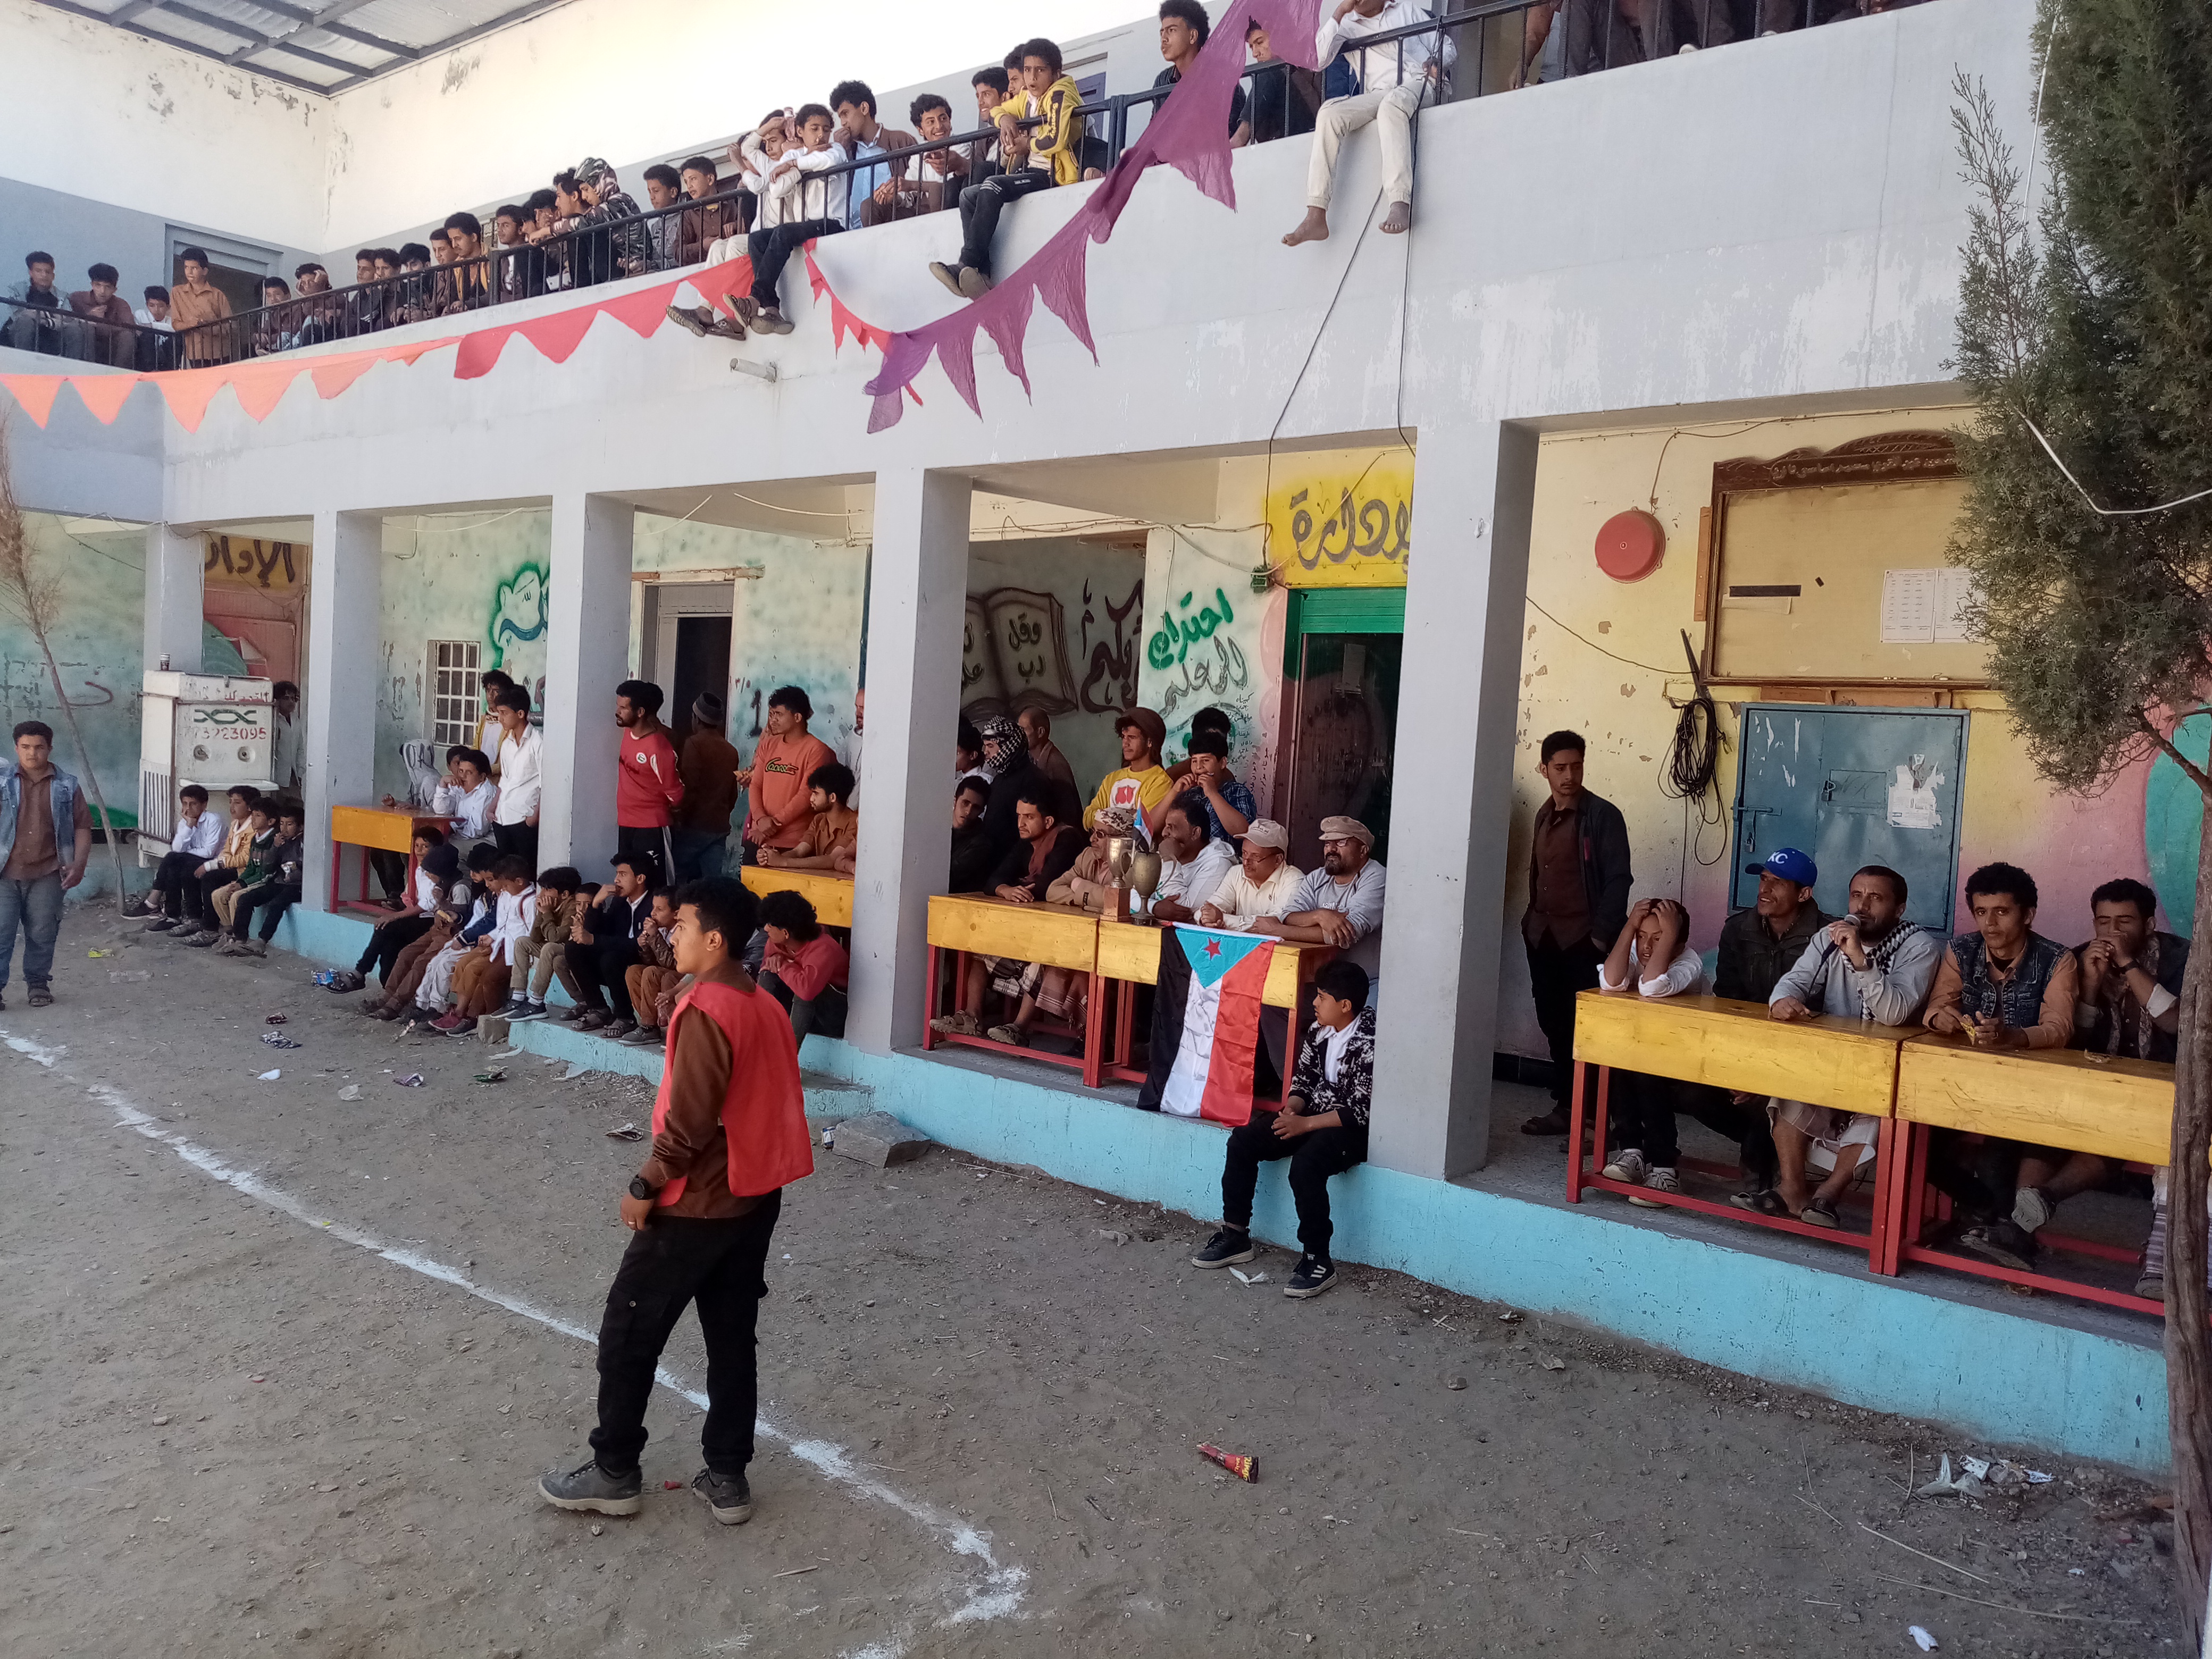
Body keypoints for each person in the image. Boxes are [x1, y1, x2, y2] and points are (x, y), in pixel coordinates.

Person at [538, 876, 812, 1526]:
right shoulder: (761, 1002)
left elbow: (689, 1122)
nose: (671, 933)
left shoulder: (709, 1010)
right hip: (754, 1194)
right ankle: (727, 1475)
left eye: (682, 925)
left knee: (628, 1333)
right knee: (731, 1338)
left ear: (714, 940)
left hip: (699, 1202)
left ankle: (614, 1469)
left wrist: (646, 1182)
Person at [1753, 865, 1943, 1225]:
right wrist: (1782, 1000)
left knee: (1882, 1112)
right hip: (1835, 1060)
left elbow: (1894, 1013)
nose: (1863, 906)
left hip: (1890, 1071)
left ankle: (1827, 1196)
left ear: (1900, 908)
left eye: (1876, 898)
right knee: (1788, 1092)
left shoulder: (1920, 947)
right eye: (1857, 896)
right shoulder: (1829, 937)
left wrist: (1860, 959)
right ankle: (1792, 1189)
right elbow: (1796, 980)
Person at [1921, 862, 2081, 1271]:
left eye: (2002, 912)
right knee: (1913, 1141)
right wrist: (1944, 1020)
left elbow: (2059, 1028)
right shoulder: (1961, 950)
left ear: (2028, 914)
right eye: (1981, 912)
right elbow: (1937, 1007)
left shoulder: (2057, 959)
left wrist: (2014, 1037)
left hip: (2030, 1088)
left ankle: (2000, 1228)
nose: (1989, 924)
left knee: (1998, 1151)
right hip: (1964, 1083)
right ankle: (1986, 1212)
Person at [1191, 959, 1376, 1299]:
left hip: (1348, 1130)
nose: (1314, 1003)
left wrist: (1304, 1125)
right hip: (1310, 1116)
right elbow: (1304, 1081)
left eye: (1322, 997)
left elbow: (1361, 1111)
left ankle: (1318, 1260)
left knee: (1306, 1167)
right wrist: (1292, 1109)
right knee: (1244, 1141)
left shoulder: (1371, 1040)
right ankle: (1235, 1234)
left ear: (1345, 1006)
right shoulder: (1319, 1030)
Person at [1518, 730, 1631, 1136]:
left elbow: (1619, 880)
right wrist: (1529, 923)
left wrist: (1600, 937)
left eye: (1576, 767)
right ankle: (1569, 1107)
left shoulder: (1602, 816)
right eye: (1561, 768)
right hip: (1543, 936)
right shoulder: (1544, 814)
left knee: (1589, 1029)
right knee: (1553, 1022)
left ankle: (1603, 1118)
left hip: (1584, 939)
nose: (1569, 776)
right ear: (1544, 769)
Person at [1282, 0, 1452, 247]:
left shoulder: (1407, 10)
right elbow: (1316, 60)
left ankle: (1399, 202)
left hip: (1422, 82)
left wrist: (1437, 62)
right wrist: (1339, 13)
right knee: (1329, 114)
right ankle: (1316, 213)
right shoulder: (1346, 24)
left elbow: (1447, 46)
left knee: (1391, 107)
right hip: (1380, 93)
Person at [929, 782, 1086, 1042]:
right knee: (980, 945)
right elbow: (993, 880)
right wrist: (1005, 889)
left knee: (1039, 956)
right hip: (1027, 925)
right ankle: (972, 1017)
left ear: (1048, 821)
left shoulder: (1066, 840)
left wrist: (1015, 888)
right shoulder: (1026, 841)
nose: (1021, 823)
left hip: (1059, 935)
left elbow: (1045, 888)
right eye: (1019, 816)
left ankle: (1019, 1028)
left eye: (1029, 817)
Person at [1594, 898, 1708, 1204]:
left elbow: (1652, 987)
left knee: (1648, 1071)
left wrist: (1670, 936)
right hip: (1644, 1051)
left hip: (1689, 1059)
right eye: (1642, 936)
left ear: (1678, 942)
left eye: (1658, 938)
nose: (1646, 947)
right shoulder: (1636, 950)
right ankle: (1632, 1153)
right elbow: (1610, 982)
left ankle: (1664, 1169)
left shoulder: (1690, 962)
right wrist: (1629, 927)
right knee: (1619, 1058)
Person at [733, 105, 847, 338]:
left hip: (832, 224)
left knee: (783, 232)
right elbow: (777, 189)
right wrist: (796, 164)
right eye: (814, 129)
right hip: (806, 227)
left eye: (826, 129)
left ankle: (755, 299)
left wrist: (794, 165)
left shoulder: (835, 149)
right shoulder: (795, 156)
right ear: (800, 131)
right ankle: (772, 308)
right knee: (757, 239)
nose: (821, 135)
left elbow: (829, 160)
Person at [0, 721, 91, 1010]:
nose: (32, 753)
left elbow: (82, 827)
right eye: (26, 747)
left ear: (50, 748)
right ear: (16, 748)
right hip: (5, 872)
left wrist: (79, 864)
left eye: (39, 747)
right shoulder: (2, 782)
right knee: (1, 932)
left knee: (42, 932)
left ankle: (38, 984)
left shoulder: (67, 785)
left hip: (49, 872)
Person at [927, 98, 1046, 299]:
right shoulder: (1026, 101)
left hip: (1048, 174)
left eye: (1015, 82)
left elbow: (1057, 140)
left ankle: (967, 263)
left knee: (992, 184)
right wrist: (1005, 120)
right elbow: (995, 112)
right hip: (1022, 172)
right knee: (967, 195)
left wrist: (1028, 144)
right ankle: (981, 276)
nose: (1016, 85)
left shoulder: (1057, 97)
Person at [1263, 816, 1386, 995]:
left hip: (1364, 985)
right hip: (1322, 983)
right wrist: (1320, 916)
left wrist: (1278, 931)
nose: (1331, 849)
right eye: (1327, 843)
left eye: (1341, 842)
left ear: (1363, 850)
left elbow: (1346, 933)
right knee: (1274, 996)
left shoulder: (1376, 876)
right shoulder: (1317, 877)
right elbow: (1290, 916)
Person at [2074, 877, 2188, 1063]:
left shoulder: (2183, 958)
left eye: (2125, 921)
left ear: (2149, 925)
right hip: (2098, 1073)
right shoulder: (2078, 958)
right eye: (2104, 922)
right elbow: (2075, 1041)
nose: (2113, 930)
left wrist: (2126, 962)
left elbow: (2178, 1024)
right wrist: (2090, 986)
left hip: (2167, 1074)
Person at [344, 833, 456, 991]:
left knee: (386, 927)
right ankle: (388, 991)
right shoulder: (420, 869)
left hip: (430, 920)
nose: (419, 851)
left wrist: (395, 916)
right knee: (390, 946)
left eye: (425, 847)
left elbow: (427, 906)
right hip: (417, 916)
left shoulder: (438, 873)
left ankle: (360, 972)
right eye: (417, 846)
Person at [743, 686, 835, 864]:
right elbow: (756, 784)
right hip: (758, 837)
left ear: (798, 717)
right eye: (771, 714)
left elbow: (806, 795)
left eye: (779, 714)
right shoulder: (768, 744)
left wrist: (773, 824)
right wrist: (760, 819)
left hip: (793, 844)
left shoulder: (816, 750)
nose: (773, 720)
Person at [160, 783, 259, 945]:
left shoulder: (252, 828)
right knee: (183, 867)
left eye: (237, 803)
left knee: (210, 877)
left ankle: (210, 929)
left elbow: (244, 859)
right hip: (228, 865)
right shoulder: (236, 824)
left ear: (249, 807)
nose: (232, 807)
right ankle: (193, 919)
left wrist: (211, 866)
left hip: (243, 871)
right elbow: (227, 850)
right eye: (230, 802)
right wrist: (217, 862)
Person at [572, 852, 657, 1037]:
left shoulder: (654, 903)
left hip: (643, 959)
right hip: (617, 960)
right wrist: (596, 904)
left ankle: (625, 1017)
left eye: (623, 874)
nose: (616, 880)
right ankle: (599, 1009)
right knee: (574, 948)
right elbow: (601, 931)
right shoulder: (620, 901)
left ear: (640, 878)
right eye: (617, 874)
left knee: (611, 958)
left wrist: (594, 940)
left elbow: (639, 943)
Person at [758, 889, 850, 1047]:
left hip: (832, 1014)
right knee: (767, 976)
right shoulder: (775, 942)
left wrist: (784, 965)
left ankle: (788, 1053)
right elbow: (766, 968)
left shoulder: (823, 948)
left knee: (805, 988)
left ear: (786, 933)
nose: (766, 929)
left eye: (770, 925)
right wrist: (778, 963)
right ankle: (759, 1038)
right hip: (799, 1010)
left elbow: (807, 991)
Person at [614, 680, 684, 881]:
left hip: (652, 827)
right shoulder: (628, 732)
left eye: (623, 708)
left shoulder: (658, 748)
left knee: (656, 884)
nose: (617, 712)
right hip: (626, 823)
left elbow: (675, 793)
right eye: (618, 706)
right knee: (628, 882)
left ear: (640, 712)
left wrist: (670, 809)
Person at [188, 798, 280, 949]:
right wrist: (239, 882)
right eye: (253, 815)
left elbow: (267, 871)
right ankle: (229, 933)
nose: (253, 819)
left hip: (267, 881)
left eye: (258, 816)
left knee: (236, 897)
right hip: (251, 878)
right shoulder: (256, 838)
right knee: (217, 895)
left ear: (271, 821)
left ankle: (240, 939)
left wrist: (243, 884)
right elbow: (251, 866)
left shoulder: (274, 840)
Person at [219, 800, 306, 959]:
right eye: (282, 824)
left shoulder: (303, 843)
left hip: (298, 885)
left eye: (290, 825)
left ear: (300, 827)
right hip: (279, 882)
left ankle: (262, 941)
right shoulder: (280, 841)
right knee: (246, 899)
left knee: (277, 903)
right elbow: (268, 866)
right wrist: (275, 847)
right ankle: (240, 940)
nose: (284, 829)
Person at [125, 784, 222, 925]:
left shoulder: (213, 820)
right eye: (185, 803)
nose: (188, 808)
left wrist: (183, 854)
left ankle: (153, 904)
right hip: (192, 861)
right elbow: (177, 848)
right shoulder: (185, 822)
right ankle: (172, 916)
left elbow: (209, 852)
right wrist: (189, 826)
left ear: (204, 804)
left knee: (173, 859)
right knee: (173, 867)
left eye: (193, 804)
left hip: (214, 862)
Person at [1158, 0, 1251, 144]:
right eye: (1162, 32)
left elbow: (1228, 133)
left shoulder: (1221, 75)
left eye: (1172, 30)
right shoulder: (1163, 80)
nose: (1164, 39)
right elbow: (1155, 134)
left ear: (1193, 36)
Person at [831, 80, 918, 233]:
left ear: (864, 108)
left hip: (893, 231)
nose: (843, 123)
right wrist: (839, 151)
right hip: (850, 234)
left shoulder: (901, 140)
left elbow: (916, 187)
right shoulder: (847, 149)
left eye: (845, 114)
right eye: (840, 117)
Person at [867, 94, 967, 224]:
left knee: (937, 191)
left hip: (952, 212)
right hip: (919, 211)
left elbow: (949, 189)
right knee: (869, 206)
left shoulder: (961, 147)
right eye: (931, 122)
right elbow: (909, 196)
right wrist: (894, 197)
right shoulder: (917, 154)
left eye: (943, 119)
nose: (939, 126)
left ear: (950, 121)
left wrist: (911, 185)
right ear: (920, 130)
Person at [673, 693, 740, 882]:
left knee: (680, 879)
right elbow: (732, 795)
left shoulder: (694, 744)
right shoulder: (731, 750)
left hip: (694, 826)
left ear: (696, 719)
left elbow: (690, 787)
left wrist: (680, 818)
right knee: (712, 884)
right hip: (719, 827)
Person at [503, 864, 583, 1023]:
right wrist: (541, 913)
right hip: (555, 947)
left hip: (571, 949)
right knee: (522, 942)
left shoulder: (573, 906)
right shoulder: (551, 906)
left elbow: (556, 938)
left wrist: (546, 913)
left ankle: (536, 1002)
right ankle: (518, 996)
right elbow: (534, 938)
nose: (542, 894)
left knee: (549, 948)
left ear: (565, 894)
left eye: (547, 890)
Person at [1083, 709, 1176, 837]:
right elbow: (1087, 818)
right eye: (1123, 737)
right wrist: (1127, 815)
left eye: (1132, 738)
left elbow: (1142, 828)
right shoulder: (1112, 778)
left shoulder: (1161, 781)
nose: (1125, 744)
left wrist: (1104, 816)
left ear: (1149, 742)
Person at [1199, 819, 1303, 932]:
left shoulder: (1294, 880)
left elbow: (1276, 922)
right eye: (1244, 853)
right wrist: (1207, 919)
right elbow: (1207, 909)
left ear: (1278, 860)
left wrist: (1223, 919)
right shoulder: (1236, 873)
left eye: (1256, 856)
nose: (1246, 862)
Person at [1148, 792, 1235, 924]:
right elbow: (1129, 895)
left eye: (1171, 827)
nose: (1164, 833)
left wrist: (1169, 860)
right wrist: (1153, 907)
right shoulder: (1167, 851)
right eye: (1166, 826)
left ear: (1195, 833)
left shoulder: (1217, 863)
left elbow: (1183, 911)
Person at [757, 763, 857, 875]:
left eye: (816, 794)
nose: (811, 799)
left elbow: (833, 860)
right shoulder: (819, 820)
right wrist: (770, 857)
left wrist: (783, 862)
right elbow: (799, 852)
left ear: (832, 797)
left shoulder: (855, 823)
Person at [618, 889, 684, 1046]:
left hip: (680, 976)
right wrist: (645, 947)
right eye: (653, 908)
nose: (653, 913)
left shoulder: (681, 931)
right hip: (662, 972)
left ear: (676, 914)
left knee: (652, 972)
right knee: (633, 971)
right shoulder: (661, 929)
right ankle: (649, 1026)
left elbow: (672, 965)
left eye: (660, 909)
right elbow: (652, 962)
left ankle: (651, 1027)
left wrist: (655, 937)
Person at [1245, 17, 1323, 144]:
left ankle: (1241, 136)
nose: (1255, 53)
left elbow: (1317, 106)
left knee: (1269, 72)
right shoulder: (1263, 77)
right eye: (1251, 47)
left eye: (1260, 42)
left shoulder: (1309, 62)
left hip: (1310, 130)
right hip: (1277, 143)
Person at [489, 687, 541, 867]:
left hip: (524, 817)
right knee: (506, 871)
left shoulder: (538, 742)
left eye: (504, 713)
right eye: (499, 713)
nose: (500, 718)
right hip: (502, 816)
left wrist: (535, 816)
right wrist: (492, 807)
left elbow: (547, 783)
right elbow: (504, 780)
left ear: (520, 714)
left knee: (525, 870)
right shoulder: (507, 744)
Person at [1180, 729, 1256, 849]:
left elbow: (1242, 832)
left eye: (1205, 760)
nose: (1198, 767)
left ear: (1223, 763)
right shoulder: (1190, 794)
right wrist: (1176, 792)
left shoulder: (1237, 792)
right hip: (1191, 859)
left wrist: (1212, 794)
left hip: (1225, 858)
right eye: (1194, 761)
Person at [5, 252, 81, 357]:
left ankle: (73, 366)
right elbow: (18, 316)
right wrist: (50, 318)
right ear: (31, 272)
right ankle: (23, 360)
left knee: (74, 329)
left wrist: (40, 318)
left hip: (52, 336)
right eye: (39, 271)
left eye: (48, 272)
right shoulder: (17, 289)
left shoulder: (62, 296)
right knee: (26, 321)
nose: (44, 275)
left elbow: (67, 320)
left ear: (53, 276)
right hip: (20, 334)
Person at [169, 247, 234, 365]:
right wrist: (192, 324)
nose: (189, 272)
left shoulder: (217, 295)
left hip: (219, 353)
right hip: (195, 353)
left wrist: (204, 327)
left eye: (194, 268)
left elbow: (230, 327)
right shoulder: (177, 292)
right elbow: (176, 324)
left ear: (205, 271)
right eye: (186, 267)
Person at [68, 263, 137, 368]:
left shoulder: (121, 304)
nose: (102, 291)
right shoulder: (77, 298)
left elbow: (130, 328)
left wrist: (98, 324)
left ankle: (120, 374)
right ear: (92, 285)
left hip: (111, 349)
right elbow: (68, 321)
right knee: (87, 328)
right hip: (83, 345)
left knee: (127, 336)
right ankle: (87, 369)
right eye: (98, 285)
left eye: (108, 287)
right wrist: (89, 316)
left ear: (115, 290)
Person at [429, 745, 498, 849]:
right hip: (461, 837)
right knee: (424, 842)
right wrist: (443, 785)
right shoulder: (459, 787)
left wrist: (452, 831)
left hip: (482, 842)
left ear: (482, 777)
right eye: (461, 771)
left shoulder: (487, 793)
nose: (463, 776)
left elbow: (476, 831)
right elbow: (442, 811)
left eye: (469, 773)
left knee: (439, 849)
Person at [1016, 705, 1078, 803]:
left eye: (1024, 730)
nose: (1019, 734)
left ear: (1040, 732)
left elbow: (1067, 808)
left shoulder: (1055, 764)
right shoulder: (1032, 759)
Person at [949, 775, 998, 893]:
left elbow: (950, 875)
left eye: (976, 807)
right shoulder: (937, 827)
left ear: (981, 811)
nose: (968, 811)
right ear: (955, 801)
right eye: (965, 803)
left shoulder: (981, 844)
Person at [269, 680, 303, 792]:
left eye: (294, 699)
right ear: (277, 700)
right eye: (286, 698)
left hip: (294, 777)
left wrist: (301, 772)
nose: (291, 702)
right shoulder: (271, 719)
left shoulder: (295, 720)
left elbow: (300, 748)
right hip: (275, 777)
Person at [134, 286, 178, 371]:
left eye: (161, 306)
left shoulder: (171, 321)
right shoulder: (141, 314)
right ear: (147, 305)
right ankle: (150, 370)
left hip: (164, 358)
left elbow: (175, 329)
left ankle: (171, 370)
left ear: (168, 307)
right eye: (152, 306)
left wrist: (152, 326)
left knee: (176, 339)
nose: (156, 310)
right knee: (148, 335)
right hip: (144, 359)